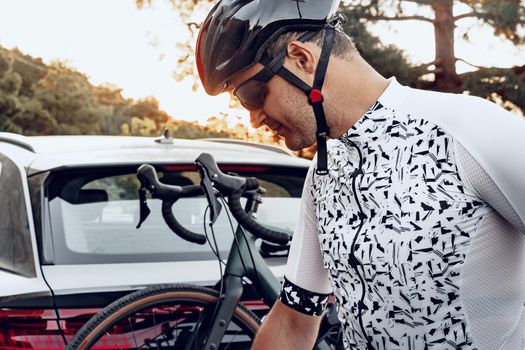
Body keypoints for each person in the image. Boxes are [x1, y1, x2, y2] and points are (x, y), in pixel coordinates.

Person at [196, 0, 525, 349]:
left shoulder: (470, 129)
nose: (254, 119)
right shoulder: (325, 172)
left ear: (301, 59)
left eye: (251, 95)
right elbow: (293, 321)